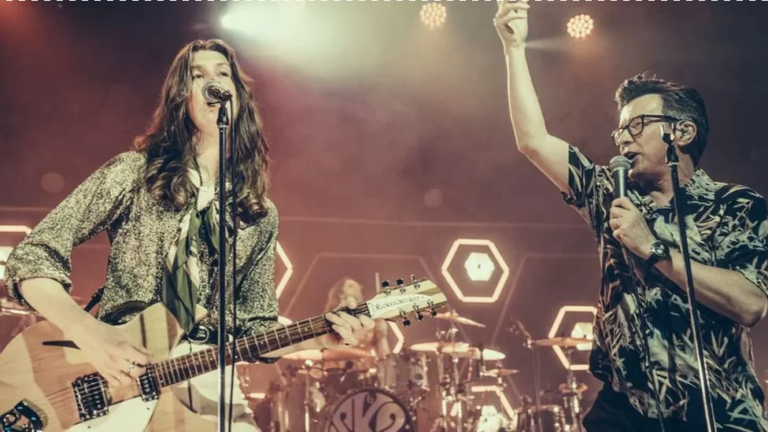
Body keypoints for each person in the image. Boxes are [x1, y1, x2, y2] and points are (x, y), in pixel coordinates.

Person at [2, 39, 377, 432]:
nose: (213, 82)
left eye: (223, 74)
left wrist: (317, 339)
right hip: (117, 373)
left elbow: (256, 328)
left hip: (208, 377)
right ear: (181, 98)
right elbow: (33, 255)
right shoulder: (135, 174)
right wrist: (89, 333)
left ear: (239, 96)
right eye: (198, 76)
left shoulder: (258, 214)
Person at [494, 2, 768, 431]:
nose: (622, 138)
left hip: (716, 408)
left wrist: (653, 248)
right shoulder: (612, 193)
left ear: (682, 132)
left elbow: (750, 303)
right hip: (626, 408)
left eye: (636, 125)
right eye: (620, 129)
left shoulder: (737, 205)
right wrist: (514, 50)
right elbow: (533, 141)